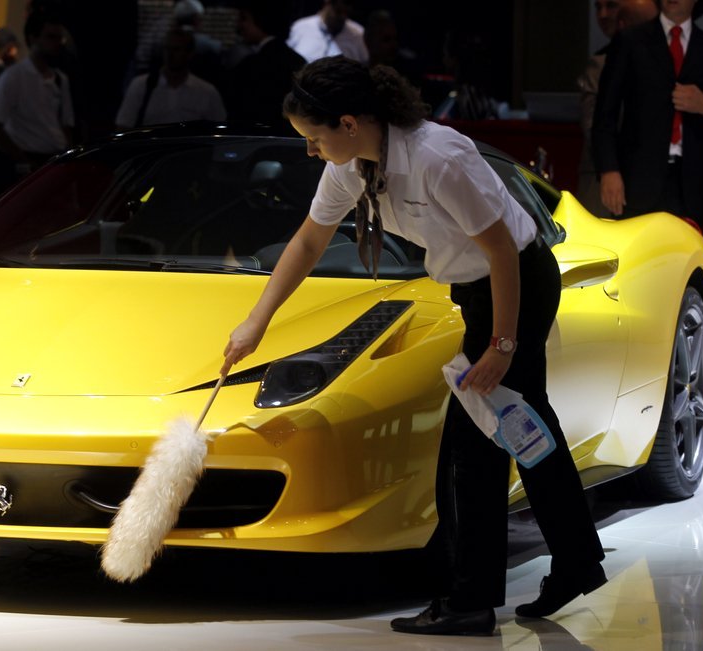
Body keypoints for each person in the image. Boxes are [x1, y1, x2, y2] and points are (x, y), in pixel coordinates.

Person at [221, 56, 606, 636]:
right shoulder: (351, 166)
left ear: (350, 123)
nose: (310, 150)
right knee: (521, 426)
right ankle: (574, 561)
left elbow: (502, 250)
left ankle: (472, 600)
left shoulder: (437, 157)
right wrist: (256, 322)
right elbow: (307, 242)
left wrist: (502, 345)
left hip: (516, 285)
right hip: (478, 290)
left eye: (314, 137)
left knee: (473, 449)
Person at [592, 0, 703, 223]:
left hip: (692, 184)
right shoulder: (630, 40)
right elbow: (604, 114)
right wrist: (608, 170)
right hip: (637, 180)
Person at [575, 0, 658, 216]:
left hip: (649, 181)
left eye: (611, 6)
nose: (603, 15)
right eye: (598, 7)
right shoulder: (600, 63)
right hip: (603, 179)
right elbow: (594, 128)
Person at [0, 10, 76, 181]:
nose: (57, 43)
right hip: (28, 160)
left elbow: (66, 124)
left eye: (60, 38)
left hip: (55, 159)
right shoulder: (14, 76)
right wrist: (22, 160)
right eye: (51, 37)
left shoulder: (60, 79)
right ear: (33, 38)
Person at [115, 27, 226, 130]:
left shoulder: (207, 92)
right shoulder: (140, 85)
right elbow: (123, 125)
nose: (169, 54)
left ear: (189, 53)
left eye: (176, 49)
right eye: (166, 48)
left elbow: (219, 131)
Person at [224, 0, 304, 128]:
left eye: (244, 18)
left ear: (261, 20)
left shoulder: (251, 65)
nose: (239, 25)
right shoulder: (298, 61)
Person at [286, 0, 367, 64]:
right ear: (328, 2)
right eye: (338, 11)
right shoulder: (300, 27)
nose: (343, 17)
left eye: (346, 12)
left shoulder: (358, 33)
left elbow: (365, 63)